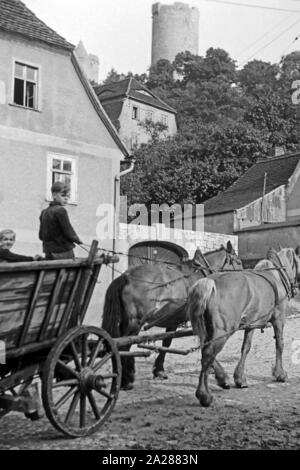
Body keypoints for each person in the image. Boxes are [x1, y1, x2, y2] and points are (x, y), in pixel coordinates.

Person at [39, 181, 83, 260]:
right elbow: (69, 231)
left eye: (68, 196)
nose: (66, 198)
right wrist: (78, 240)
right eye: (63, 195)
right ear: (54, 195)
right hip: (62, 251)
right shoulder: (60, 210)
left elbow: (41, 235)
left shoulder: (44, 212)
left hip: (48, 251)